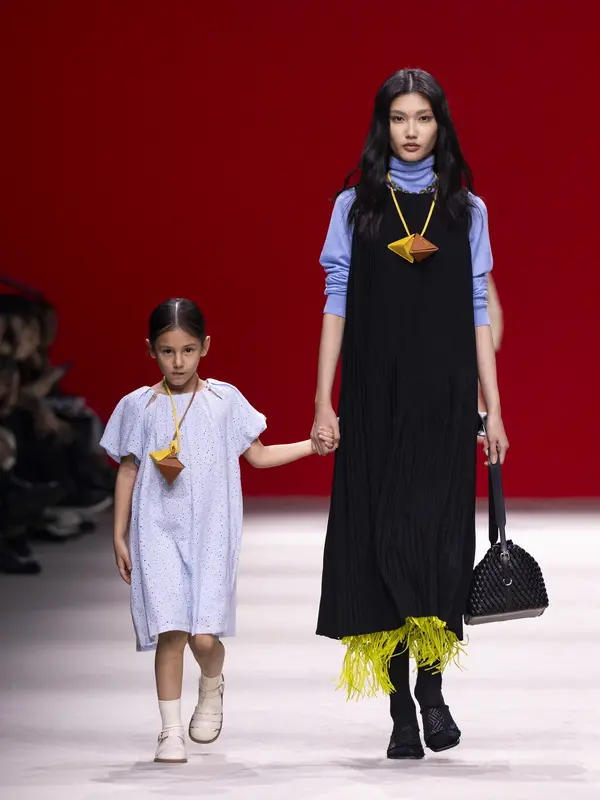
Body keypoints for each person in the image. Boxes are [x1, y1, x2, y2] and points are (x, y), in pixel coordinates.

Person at [310, 69, 509, 760]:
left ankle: (433, 690)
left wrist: (493, 408)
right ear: (383, 125)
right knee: (382, 544)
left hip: (445, 401)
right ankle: (400, 710)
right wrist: (322, 398)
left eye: (423, 117)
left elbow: (478, 312)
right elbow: (336, 302)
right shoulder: (355, 207)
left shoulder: (467, 211)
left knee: (440, 546)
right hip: (374, 398)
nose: (412, 130)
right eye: (399, 118)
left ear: (440, 124)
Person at [100, 298, 329, 765]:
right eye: (167, 351)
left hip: (212, 533)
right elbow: (128, 469)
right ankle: (169, 731)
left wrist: (312, 446)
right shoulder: (138, 406)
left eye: (187, 350)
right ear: (150, 350)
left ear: (205, 346)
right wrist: (119, 534)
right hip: (155, 530)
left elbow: (258, 456)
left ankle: (211, 683)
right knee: (170, 630)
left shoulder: (225, 401)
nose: (178, 362)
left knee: (204, 638)